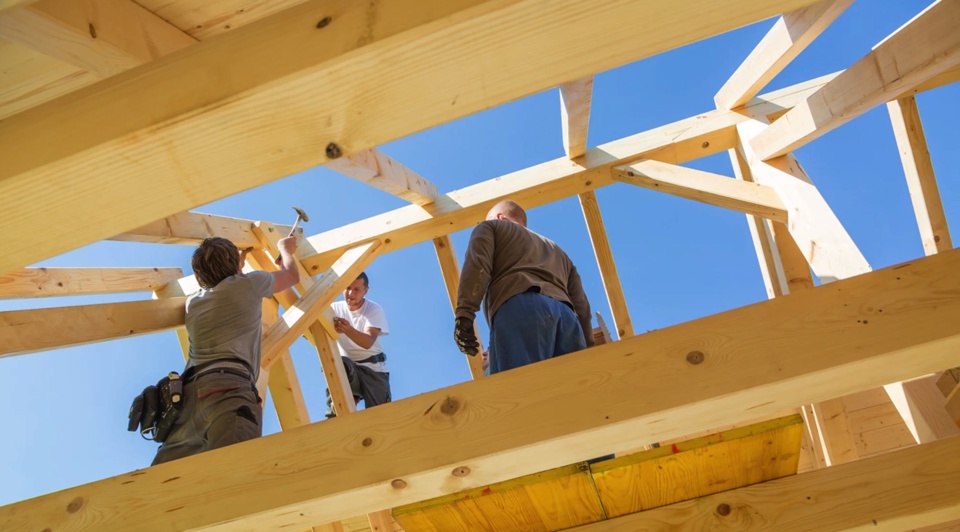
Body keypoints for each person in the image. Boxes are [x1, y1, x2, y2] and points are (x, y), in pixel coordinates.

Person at [151, 235, 299, 465]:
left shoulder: (194, 303)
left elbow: (224, 283)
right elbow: (291, 276)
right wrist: (285, 249)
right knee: (234, 469)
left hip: (188, 396)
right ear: (235, 268)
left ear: (199, 274)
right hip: (228, 388)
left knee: (167, 479)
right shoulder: (249, 284)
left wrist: (234, 262)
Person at [455, 200, 593, 374]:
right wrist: (588, 345)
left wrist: (464, 314)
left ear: (499, 217)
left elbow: (477, 266)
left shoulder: (492, 227)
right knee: (571, 394)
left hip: (522, 307)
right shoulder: (560, 253)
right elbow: (582, 305)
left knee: (519, 392)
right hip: (568, 321)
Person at [324, 272, 391, 417]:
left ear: (365, 291)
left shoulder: (373, 310)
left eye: (356, 289)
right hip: (349, 368)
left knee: (380, 416)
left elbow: (367, 342)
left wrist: (348, 330)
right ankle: (341, 406)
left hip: (373, 369)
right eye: (347, 288)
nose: (350, 293)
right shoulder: (334, 309)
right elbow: (312, 331)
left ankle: (353, 394)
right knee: (339, 363)